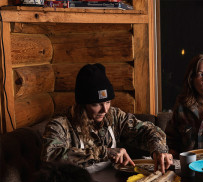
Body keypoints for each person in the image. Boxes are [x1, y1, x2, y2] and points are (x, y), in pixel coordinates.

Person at [42, 63, 173, 173]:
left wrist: (158, 150)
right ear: (82, 104)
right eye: (96, 104)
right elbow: (50, 156)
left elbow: (148, 131)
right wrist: (106, 152)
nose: (104, 110)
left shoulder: (114, 116)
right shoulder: (60, 124)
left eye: (108, 102)